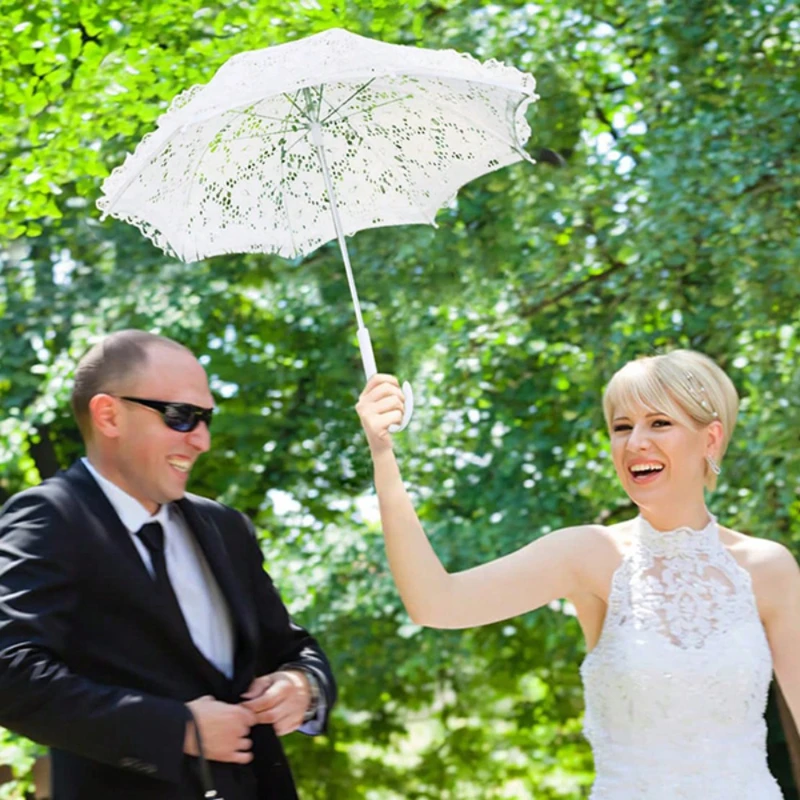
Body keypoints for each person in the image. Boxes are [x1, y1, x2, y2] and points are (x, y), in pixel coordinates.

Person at [355, 349, 800, 799]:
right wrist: (382, 453)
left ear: (711, 438)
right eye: (622, 427)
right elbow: (435, 603)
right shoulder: (588, 554)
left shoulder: (770, 569)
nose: (635, 442)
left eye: (659, 423)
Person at [0, 330, 336, 800]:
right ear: (108, 415)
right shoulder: (50, 518)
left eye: (207, 419)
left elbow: (292, 646)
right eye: (181, 417)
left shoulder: (226, 527)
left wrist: (303, 686)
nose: (202, 440)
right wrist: (178, 729)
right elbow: (11, 673)